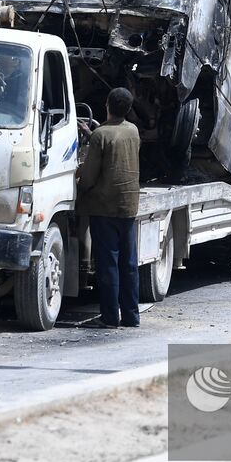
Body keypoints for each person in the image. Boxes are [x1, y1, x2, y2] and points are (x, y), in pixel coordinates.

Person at [78, 87, 142, 328]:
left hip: (104, 207)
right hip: (128, 206)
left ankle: (109, 317)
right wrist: (94, 134)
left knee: (108, 264)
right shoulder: (133, 131)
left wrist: (81, 186)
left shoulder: (100, 136)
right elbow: (117, 148)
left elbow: (90, 176)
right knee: (128, 264)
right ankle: (131, 316)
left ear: (107, 105)